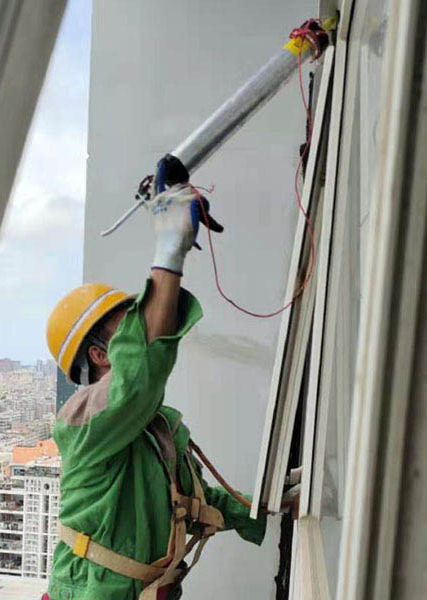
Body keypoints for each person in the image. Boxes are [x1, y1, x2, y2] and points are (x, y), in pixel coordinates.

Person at [44, 166, 270, 600]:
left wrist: (267, 504)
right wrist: (170, 251)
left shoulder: (153, 426)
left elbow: (199, 501)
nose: (143, 328)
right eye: (126, 328)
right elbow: (136, 377)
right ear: (99, 355)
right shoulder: (83, 421)